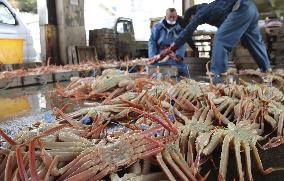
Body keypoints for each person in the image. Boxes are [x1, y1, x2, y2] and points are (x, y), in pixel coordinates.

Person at [151, 0, 272, 84]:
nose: (193, 23)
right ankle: (267, 70)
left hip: (241, 8)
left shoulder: (201, 11)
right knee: (255, 41)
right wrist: (243, 39)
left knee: (219, 39)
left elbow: (188, 31)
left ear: (192, 16)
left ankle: (218, 78)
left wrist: (169, 49)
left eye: (190, 20)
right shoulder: (214, 9)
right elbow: (232, 28)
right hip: (250, 8)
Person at [148, 8, 190, 78]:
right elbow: (152, 42)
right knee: (153, 73)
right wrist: (153, 56)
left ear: (176, 17)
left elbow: (182, 43)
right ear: (165, 16)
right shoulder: (157, 28)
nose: (172, 19)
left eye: (174, 17)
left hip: (173, 56)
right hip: (159, 56)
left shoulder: (180, 29)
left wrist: (178, 56)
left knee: (183, 71)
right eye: (170, 17)